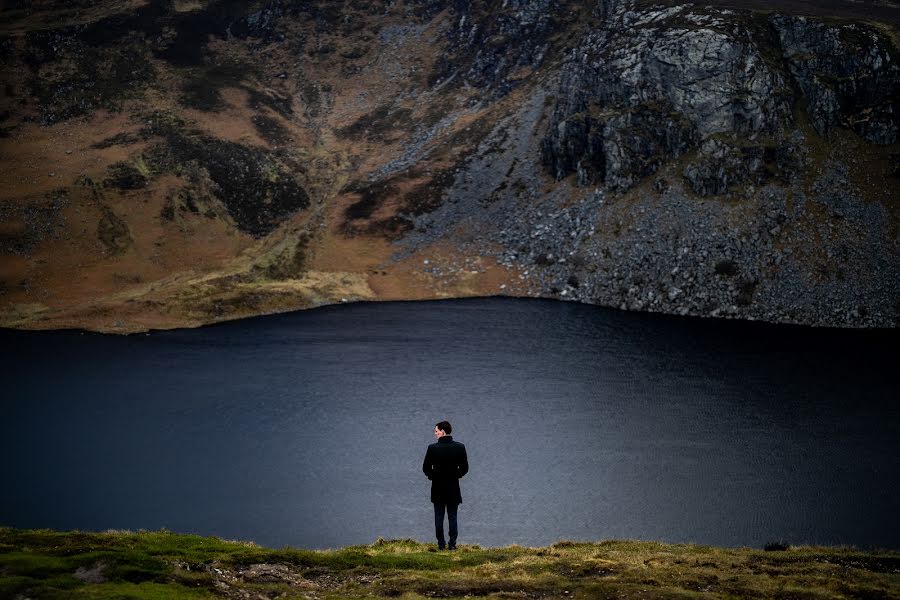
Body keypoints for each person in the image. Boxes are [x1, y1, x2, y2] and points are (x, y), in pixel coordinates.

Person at [422, 420, 468, 550]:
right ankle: (452, 545)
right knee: (453, 517)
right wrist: (456, 475)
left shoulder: (432, 448)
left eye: (436, 431)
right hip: (453, 487)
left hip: (437, 488)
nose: (435, 433)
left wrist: (433, 476)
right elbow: (465, 468)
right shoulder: (460, 447)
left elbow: (425, 468)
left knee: (439, 517)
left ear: (442, 431)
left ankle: (441, 544)